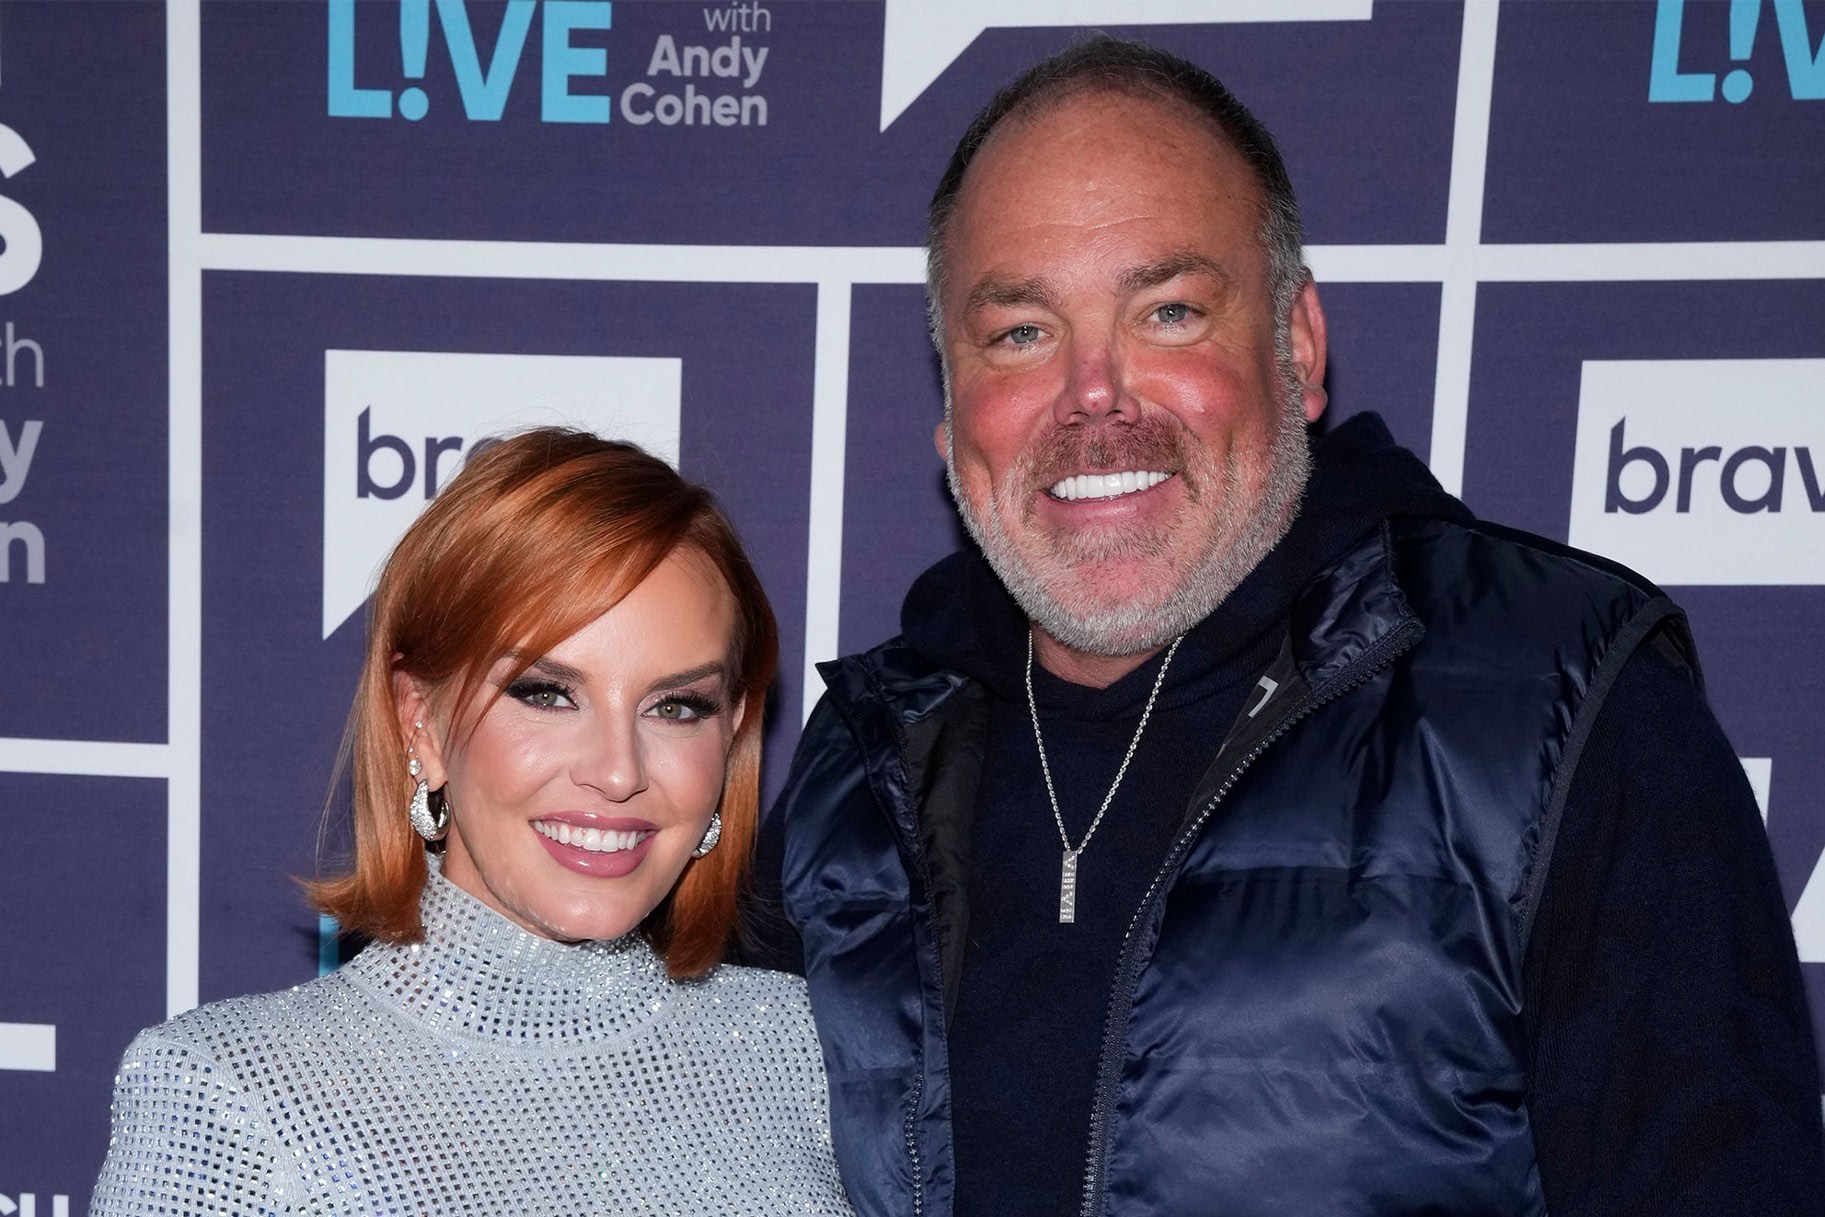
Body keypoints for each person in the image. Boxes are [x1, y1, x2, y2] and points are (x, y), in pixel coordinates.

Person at [754, 35, 1825, 1217]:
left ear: (1296, 347)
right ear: (952, 408)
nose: (1093, 395)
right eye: (1020, 332)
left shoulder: (1564, 703)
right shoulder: (855, 772)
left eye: (1165, 310)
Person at [92, 430, 853, 1215]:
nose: (618, 770)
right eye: (547, 692)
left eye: (676, 705)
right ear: (419, 718)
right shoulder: (234, 1099)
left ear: (729, 735)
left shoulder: (811, 1051)